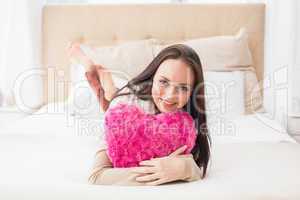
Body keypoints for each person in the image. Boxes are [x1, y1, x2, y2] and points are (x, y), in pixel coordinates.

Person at [68, 43, 211, 186]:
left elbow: (197, 167)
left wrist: (187, 168)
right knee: (109, 97)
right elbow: (97, 175)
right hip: (123, 101)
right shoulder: (125, 108)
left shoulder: (188, 120)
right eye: (163, 82)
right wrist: (158, 172)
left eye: (183, 88)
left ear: (192, 92)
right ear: (152, 77)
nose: (170, 96)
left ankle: (110, 87)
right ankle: (93, 68)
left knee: (111, 96)